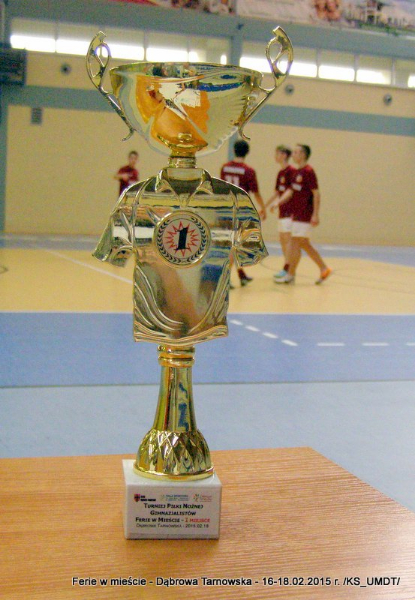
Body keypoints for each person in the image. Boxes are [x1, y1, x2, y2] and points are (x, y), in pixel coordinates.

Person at [274, 144, 332, 285]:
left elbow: (316, 193)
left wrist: (315, 214)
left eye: (296, 152)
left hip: (305, 214)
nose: (293, 154)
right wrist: (278, 202)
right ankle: (317, 269)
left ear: (303, 155)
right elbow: (290, 191)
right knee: (300, 243)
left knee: (299, 243)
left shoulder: (308, 171)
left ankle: (296, 273)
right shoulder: (296, 172)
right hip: (296, 213)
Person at [220, 140, 266, 286]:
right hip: (240, 211)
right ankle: (225, 278)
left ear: (234, 150)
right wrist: (263, 208)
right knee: (235, 244)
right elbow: (256, 193)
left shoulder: (225, 168)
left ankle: (241, 275)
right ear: (247, 152)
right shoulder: (249, 171)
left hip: (226, 209)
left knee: (235, 243)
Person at [265, 145, 296, 279]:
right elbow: (278, 192)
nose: (275, 156)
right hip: (282, 212)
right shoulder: (280, 173)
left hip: (291, 211)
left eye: (277, 153)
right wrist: (264, 206)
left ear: (284, 155)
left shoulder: (292, 171)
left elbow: (290, 191)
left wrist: (278, 202)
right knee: (283, 240)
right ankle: (287, 266)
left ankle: (288, 268)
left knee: (288, 240)